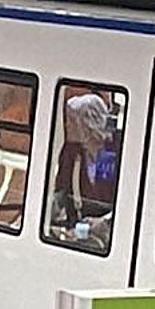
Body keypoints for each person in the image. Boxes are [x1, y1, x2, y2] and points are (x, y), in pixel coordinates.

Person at [49, 92, 117, 247]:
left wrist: (105, 221)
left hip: (110, 237)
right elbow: (62, 192)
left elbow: (129, 202)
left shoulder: (116, 152)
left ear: (88, 124)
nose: (67, 126)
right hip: (78, 233)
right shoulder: (71, 152)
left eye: (73, 121)